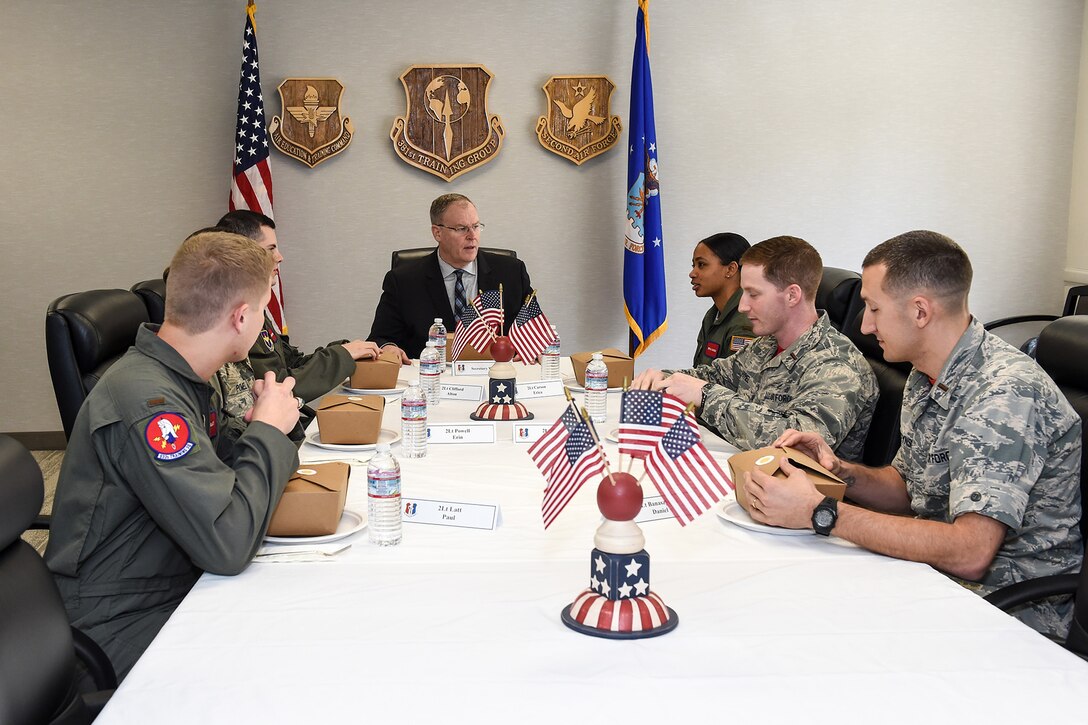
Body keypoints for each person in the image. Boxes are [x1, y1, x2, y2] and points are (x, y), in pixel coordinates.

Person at [745, 230, 1082, 638]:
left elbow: (970, 552)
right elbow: (908, 490)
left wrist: (820, 512)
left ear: (920, 312)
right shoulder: (926, 375)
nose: (864, 325)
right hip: (935, 581)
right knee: (775, 598)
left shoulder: (1003, 392)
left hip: (1007, 610)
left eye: (873, 308)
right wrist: (839, 472)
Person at [46, 231, 302, 678]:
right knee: (291, 662)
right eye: (263, 309)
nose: (264, 323)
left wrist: (270, 426)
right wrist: (265, 430)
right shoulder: (151, 406)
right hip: (119, 620)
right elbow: (227, 543)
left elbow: (230, 471)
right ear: (242, 317)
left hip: (170, 578)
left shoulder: (183, 377)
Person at [632, 236, 878, 460]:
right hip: (747, 472)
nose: (742, 306)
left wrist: (706, 397)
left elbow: (802, 447)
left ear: (792, 296)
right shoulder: (767, 345)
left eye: (753, 294)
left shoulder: (836, 364)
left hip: (801, 496)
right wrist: (664, 379)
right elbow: (715, 375)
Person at [216, 210, 407, 403]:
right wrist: (342, 356)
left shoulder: (253, 308)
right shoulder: (238, 313)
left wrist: (347, 350)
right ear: (245, 254)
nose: (280, 257)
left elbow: (291, 364)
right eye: (270, 249)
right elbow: (277, 386)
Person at [368, 193, 533, 358]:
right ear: (437, 233)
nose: (472, 236)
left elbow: (533, 330)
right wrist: (389, 347)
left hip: (494, 374)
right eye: (461, 229)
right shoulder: (403, 281)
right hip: (431, 375)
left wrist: (533, 349)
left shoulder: (510, 272)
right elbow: (380, 338)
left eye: (476, 226)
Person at [689, 231, 755, 366]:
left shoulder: (746, 319)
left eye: (701, 265)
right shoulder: (713, 315)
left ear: (730, 269)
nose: (692, 273)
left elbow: (738, 382)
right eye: (693, 266)